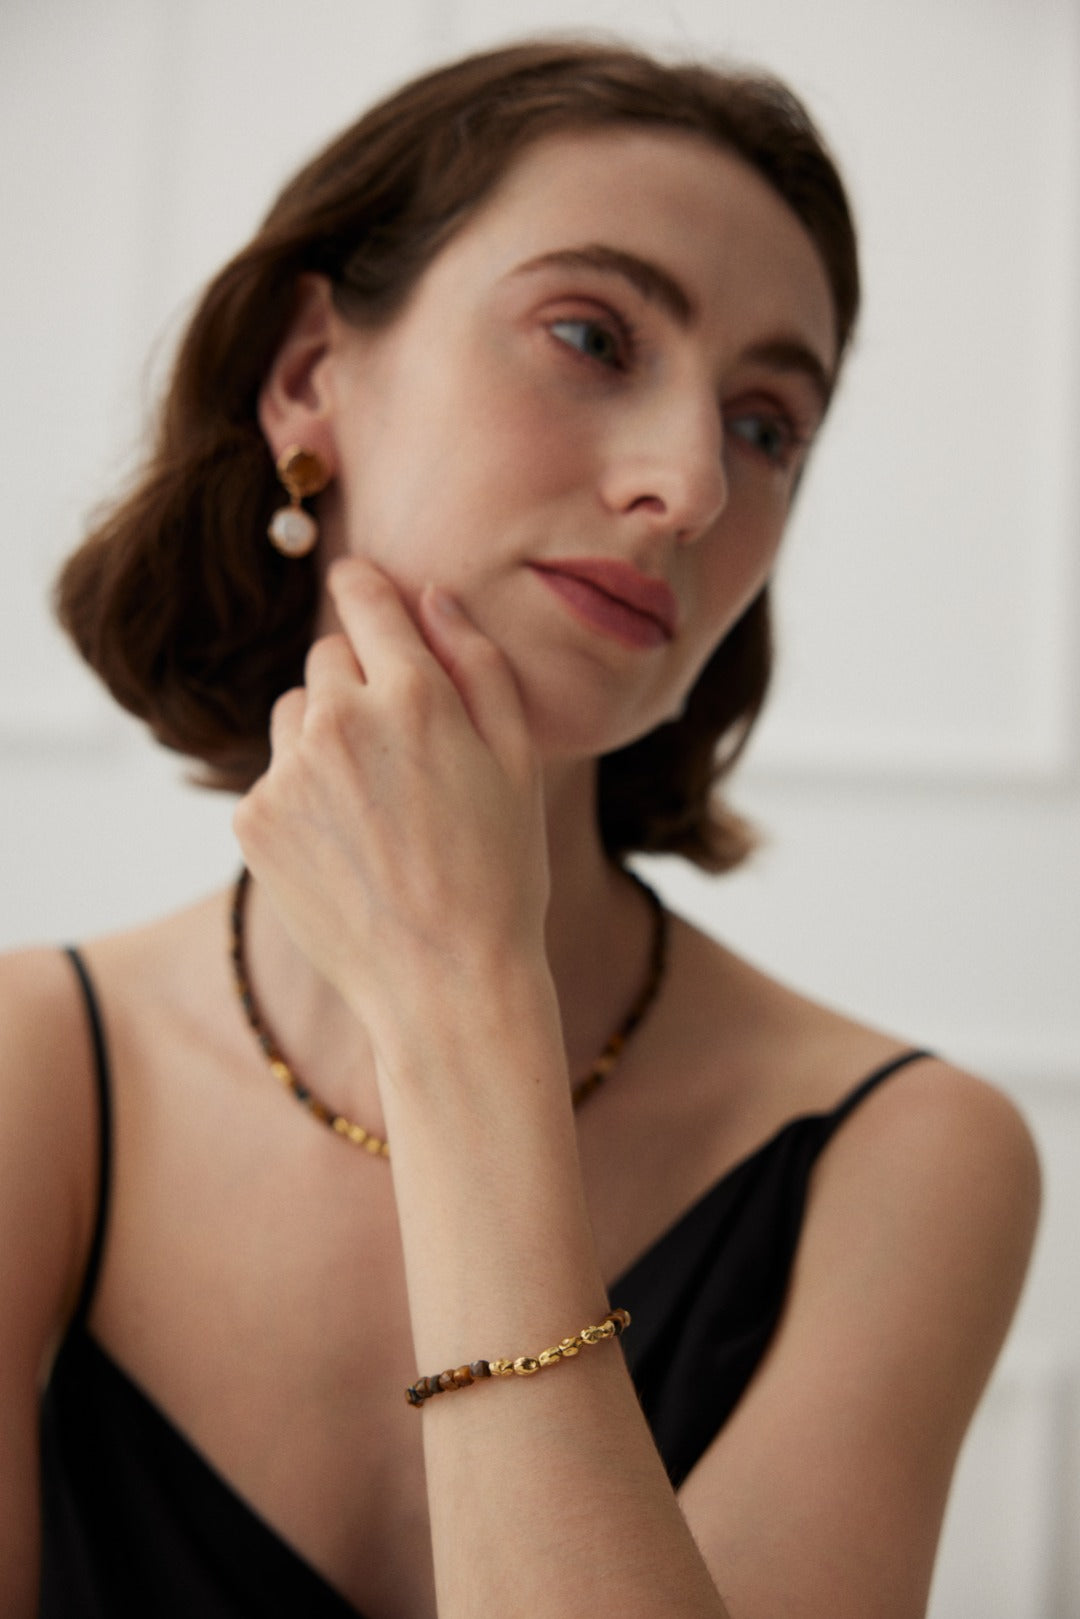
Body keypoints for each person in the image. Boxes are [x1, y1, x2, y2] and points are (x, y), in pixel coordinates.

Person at [0, 38, 1040, 1619]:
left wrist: (463, 1004)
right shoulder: (34, 1074)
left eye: (769, 427)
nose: (692, 483)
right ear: (307, 378)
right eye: (590, 334)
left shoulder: (909, 1158)